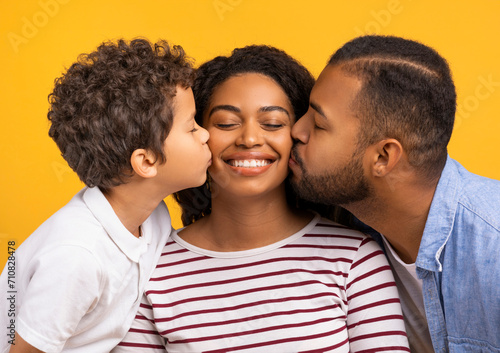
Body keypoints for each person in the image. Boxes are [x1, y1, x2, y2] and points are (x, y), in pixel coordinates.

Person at [113, 45, 409, 352]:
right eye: (226, 123)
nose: (250, 139)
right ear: (197, 134)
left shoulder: (355, 259)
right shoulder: (151, 271)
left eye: (273, 124)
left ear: (300, 134)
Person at [289, 34, 500, 353]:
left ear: (384, 157)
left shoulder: (493, 249)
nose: (296, 130)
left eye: (318, 124)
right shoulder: (345, 237)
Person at [0, 38, 211, 353]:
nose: (205, 133)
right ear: (146, 161)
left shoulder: (153, 218)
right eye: (192, 127)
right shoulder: (78, 256)